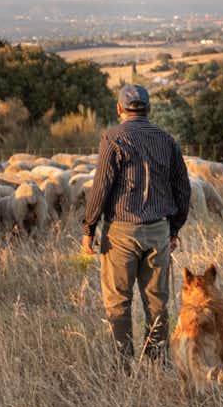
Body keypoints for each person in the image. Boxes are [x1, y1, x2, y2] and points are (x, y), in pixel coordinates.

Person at [80, 83, 192, 369]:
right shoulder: (166, 140)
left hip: (121, 231)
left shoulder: (113, 138)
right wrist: (174, 228)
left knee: (118, 301)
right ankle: (156, 361)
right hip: (158, 230)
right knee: (157, 301)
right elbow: (183, 188)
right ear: (149, 108)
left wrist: (89, 229)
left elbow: (101, 188)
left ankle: (123, 364)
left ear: (119, 109)